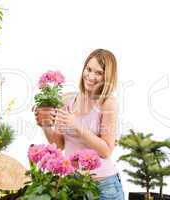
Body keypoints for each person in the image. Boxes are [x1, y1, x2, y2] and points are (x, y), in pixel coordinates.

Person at [34, 49, 125, 200]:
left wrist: (76, 125)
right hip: (73, 184)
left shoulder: (107, 103)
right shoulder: (67, 100)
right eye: (88, 69)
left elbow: (106, 150)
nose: (90, 76)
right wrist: (45, 125)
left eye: (98, 73)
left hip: (103, 187)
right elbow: (60, 144)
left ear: (107, 77)